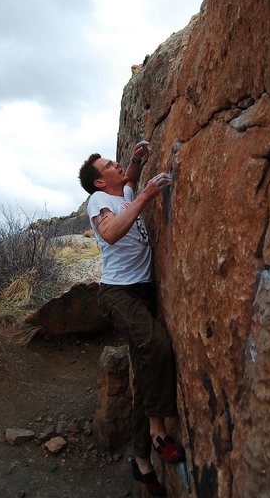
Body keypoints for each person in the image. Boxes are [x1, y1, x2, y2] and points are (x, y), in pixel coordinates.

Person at [78, 141, 184, 497]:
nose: (118, 164)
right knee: (156, 344)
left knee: (145, 370)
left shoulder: (120, 191)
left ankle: (141, 462)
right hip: (118, 295)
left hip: (141, 291)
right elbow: (109, 232)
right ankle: (158, 431)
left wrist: (137, 162)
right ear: (98, 182)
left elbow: (128, 183)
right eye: (110, 163)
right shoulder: (98, 202)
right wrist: (147, 195)